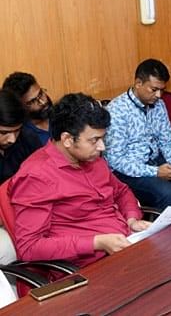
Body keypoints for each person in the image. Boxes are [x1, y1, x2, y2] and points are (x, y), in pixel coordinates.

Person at [10, 93, 151, 267]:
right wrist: (96, 243)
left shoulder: (91, 158)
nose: (102, 147)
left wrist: (132, 219)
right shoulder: (36, 176)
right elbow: (29, 247)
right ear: (68, 139)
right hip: (89, 266)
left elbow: (121, 191)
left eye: (103, 138)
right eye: (94, 140)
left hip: (127, 246)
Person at [104, 59, 171, 211]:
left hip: (157, 162)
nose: (159, 95)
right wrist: (155, 172)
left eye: (162, 90)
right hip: (128, 172)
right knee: (166, 192)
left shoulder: (159, 105)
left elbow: (166, 141)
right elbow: (116, 160)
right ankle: (167, 234)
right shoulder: (116, 111)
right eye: (154, 89)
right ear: (138, 83)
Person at [0, 90, 43, 266]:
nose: (11, 139)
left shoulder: (27, 138)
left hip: (30, 210)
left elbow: (42, 179)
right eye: (3, 132)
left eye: (16, 131)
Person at [2, 72, 53, 145]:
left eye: (40, 93)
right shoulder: (22, 137)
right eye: (32, 101)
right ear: (20, 106)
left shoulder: (62, 114)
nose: (43, 102)